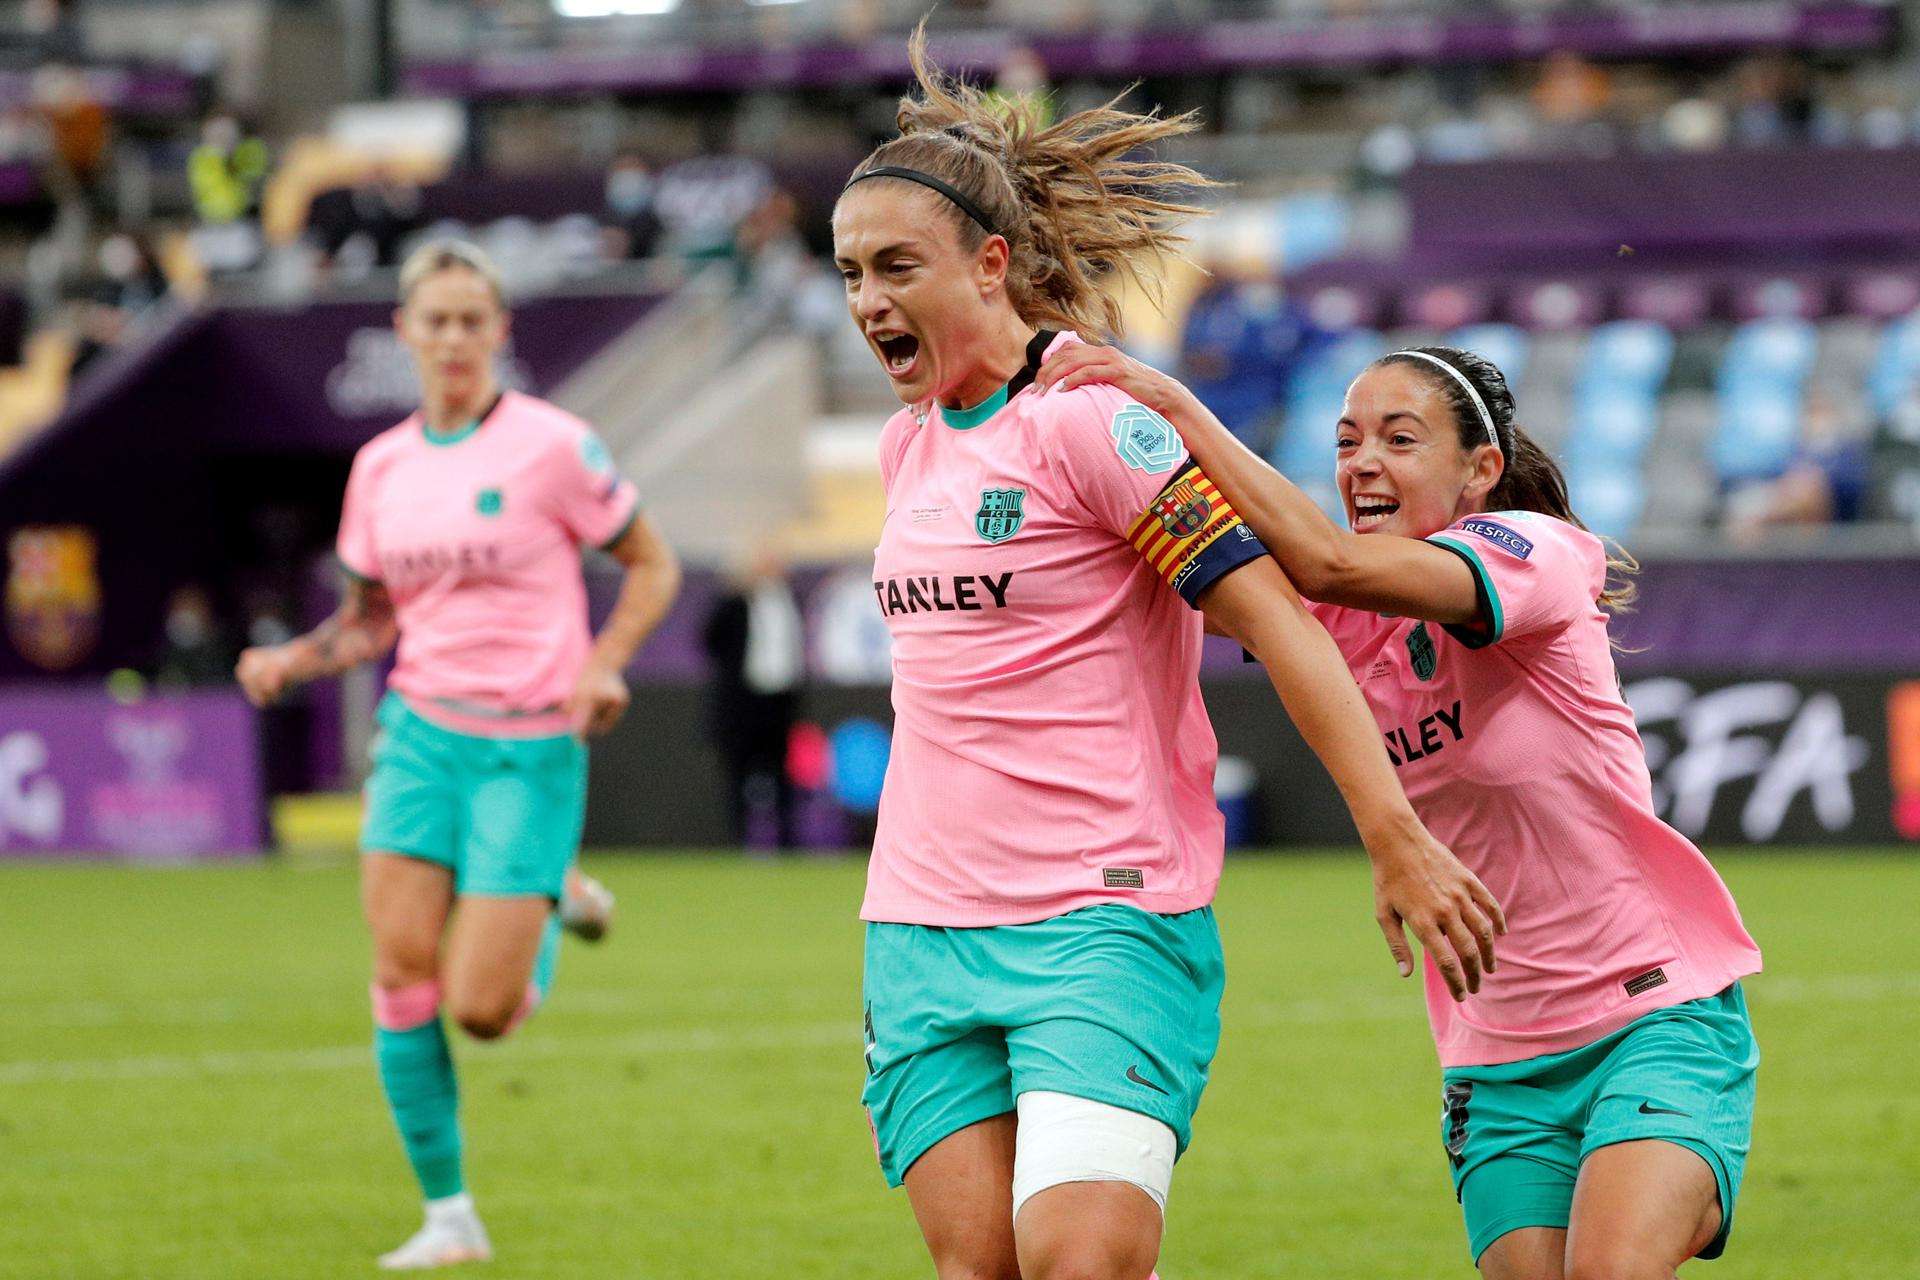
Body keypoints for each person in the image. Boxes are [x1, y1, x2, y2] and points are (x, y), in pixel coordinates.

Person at [834, 31, 1502, 1280]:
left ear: (990, 265)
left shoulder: (1095, 428)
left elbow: (1278, 621)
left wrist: (1393, 830)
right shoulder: (904, 450)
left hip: (1106, 914)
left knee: (1080, 1261)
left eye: (894, 266)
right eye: (850, 273)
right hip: (919, 927)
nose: (868, 299)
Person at [1036, 339, 1764, 1280]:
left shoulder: (1532, 556)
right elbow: (1146, 569)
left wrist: (1173, 403)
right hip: (1496, 1058)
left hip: (1652, 1016)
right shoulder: (1335, 617)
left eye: (1398, 438)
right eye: (1345, 441)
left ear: (1481, 470)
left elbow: (1327, 560)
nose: (1361, 462)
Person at [234, 240, 680, 1270]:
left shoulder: (555, 446)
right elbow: (368, 620)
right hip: (421, 737)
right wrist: (290, 662)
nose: (451, 339)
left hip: (529, 746)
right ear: (404, 331)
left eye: (471, 320)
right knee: (400, 973)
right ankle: (449, 1215)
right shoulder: (380, 466)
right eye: (433, 320)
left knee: (481, 1012)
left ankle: (551, 902)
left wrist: (605, 663)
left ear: (499, 332)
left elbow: (650, 563)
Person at [701, 543, 805, 849]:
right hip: (743, 704)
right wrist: (734, 591)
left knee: (783, 775)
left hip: (780, 702)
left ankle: (788, 843)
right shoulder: (736, 603)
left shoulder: (790, 600)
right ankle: (739, 842)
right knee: (738, 775)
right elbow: (709, 639)